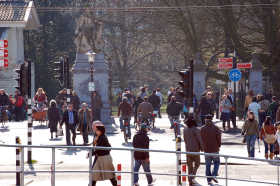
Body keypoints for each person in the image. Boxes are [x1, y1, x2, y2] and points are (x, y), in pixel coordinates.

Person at [201, 115, 221, 185]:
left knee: (207, 165)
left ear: (205, 120)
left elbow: (201, 139)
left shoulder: (202, 129)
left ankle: (209, 180)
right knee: (217, 162)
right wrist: (219, 145)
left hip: (206, 150)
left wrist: (202, 147)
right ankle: (214, 175)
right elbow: (219, 138)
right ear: (212, 120)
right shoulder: (216, 128)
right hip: (215, 148)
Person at [183, 118, 203, 186]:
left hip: (188, 150)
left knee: (189, 166)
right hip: (195, 150)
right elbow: (200, 139)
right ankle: (193, 175)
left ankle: (190, 181)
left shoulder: (185, 130)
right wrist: (202, 148)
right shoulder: (197, 130)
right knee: (197, 163)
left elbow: (185, 139)